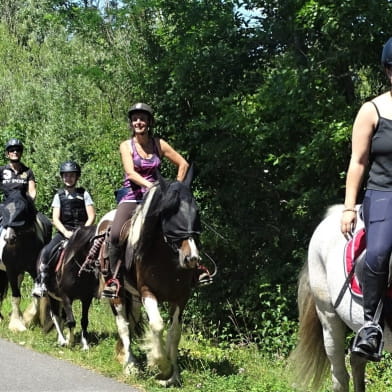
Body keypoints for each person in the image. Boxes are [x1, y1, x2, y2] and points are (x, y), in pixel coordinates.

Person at [102, 102, 190, 298]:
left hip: (158, 198)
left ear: (149, 122)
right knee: (115, 234)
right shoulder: (126, 146)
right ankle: (114, 279)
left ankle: (195, 268)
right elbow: (130, 173)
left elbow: (183, 163)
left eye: (142, 119)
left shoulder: (160, 144)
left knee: (184, 222)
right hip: (133, 197)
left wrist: (175, 189)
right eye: (135, 119)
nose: (138, 122)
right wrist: (150, 186)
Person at [341, 37, 392, 362]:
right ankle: (371, 327)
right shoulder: (372, 110)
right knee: (379, 252)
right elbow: (358, 162)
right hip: (383, 193)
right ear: (389, 71)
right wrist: (349, 206)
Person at [32, 161, 96, 297]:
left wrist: (83, 231)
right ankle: (41, 281)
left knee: (98, 250)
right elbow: (55, 218)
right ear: (62, 177)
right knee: (47, 251)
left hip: (82, 232)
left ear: (77, 177)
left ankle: (99, 284)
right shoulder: (58, 196)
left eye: (72, 176)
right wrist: (66, 232)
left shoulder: (84, 194)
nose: (69, 178)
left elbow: (91, 216)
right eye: (66, 176)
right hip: (64, 231)